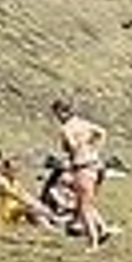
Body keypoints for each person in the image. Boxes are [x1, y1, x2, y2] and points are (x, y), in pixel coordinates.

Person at [53, 99, 109, 249]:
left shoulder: (66, 128)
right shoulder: (83, 123)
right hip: (95, 165)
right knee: (86, 201)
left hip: (82, 167)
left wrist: (72, 147)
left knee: (83, 207)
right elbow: (102, 132)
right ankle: (102, 229)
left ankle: (93, 242)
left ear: (61, 112)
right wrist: (94, 148)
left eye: (57, 114)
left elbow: (72, 146)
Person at [0, 150, 52, 229]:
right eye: (13, 170)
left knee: (34, 208)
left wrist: (39, 205)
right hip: (4, 213)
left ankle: (50, 224)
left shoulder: (14, 181)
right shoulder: (0, 181)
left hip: (15, 210)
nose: (16, 172)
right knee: (30, 209)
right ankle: (50, 225)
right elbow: (17, 196)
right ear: (5, 169)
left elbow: (25, 194)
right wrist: (36, 206)